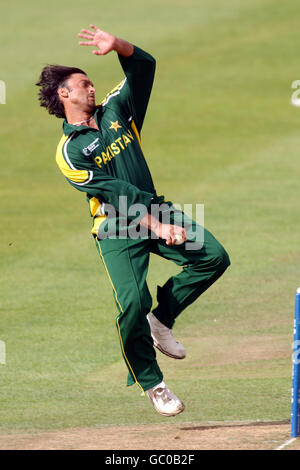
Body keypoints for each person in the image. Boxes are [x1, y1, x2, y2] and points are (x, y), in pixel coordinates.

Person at [36, 25, 230, 417]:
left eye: (92, 83)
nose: (92, 88)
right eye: (84, 84)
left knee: (213, 256)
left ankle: (162, 319)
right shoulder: (70, 152)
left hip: (157, 208)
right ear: (64, 94)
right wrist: (158, 228)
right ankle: (153, 383)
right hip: (117, 229)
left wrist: (119, 46)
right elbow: (115, 196)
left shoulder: (117, 111)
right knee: (131, 303)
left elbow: (144, 67)